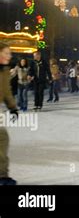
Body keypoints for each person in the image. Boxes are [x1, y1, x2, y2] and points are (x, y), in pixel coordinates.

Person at [0, 42, 19, 185]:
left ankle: (3, 176)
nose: (9, 56)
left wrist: (13, 107)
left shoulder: (4, 70)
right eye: (6, 53)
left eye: (10, 53)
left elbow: (6, 91)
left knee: (2, 138)